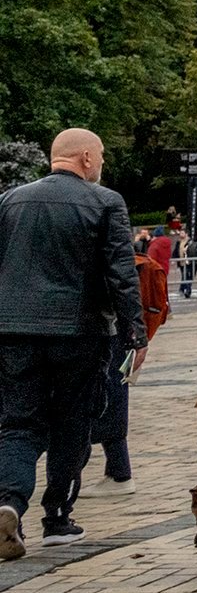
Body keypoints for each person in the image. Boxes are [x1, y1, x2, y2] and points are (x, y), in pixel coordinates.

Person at [0, 129, 144, 556]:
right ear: (85, 158)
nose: (102, 163)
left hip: (13, 330)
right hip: (79, 331)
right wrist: (135, 333)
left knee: (17, 423)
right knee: (73, 422)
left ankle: (9, 502)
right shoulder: (106, 202)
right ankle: (57, 518)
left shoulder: (10, 200)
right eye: (101, 155)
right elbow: (121, 274)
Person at [93, 232, 170, 492]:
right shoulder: (118, 248)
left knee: (107, 397)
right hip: (122, 333)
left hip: (107, 332)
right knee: (114, 395)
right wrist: (138, 336)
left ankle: (118, 474)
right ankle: (118, 472)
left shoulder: (102, 251)